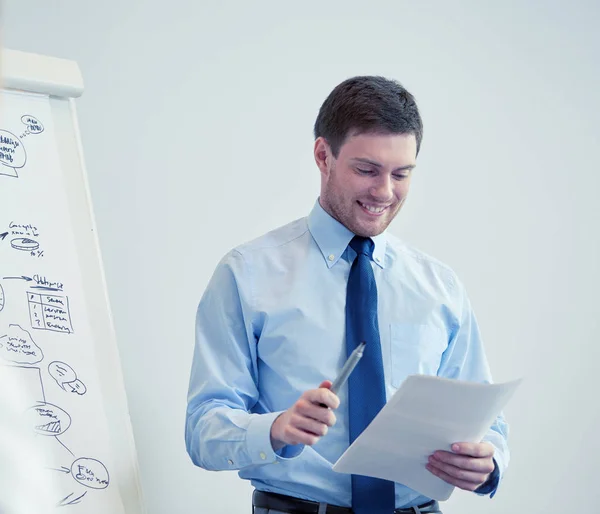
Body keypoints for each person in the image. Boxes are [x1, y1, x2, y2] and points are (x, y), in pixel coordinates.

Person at [185, 76, 508, 514]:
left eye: (402, 173)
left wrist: (488, 462)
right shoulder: (247, 274)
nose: (385, 192)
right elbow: (203, 430)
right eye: (367, 170)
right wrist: (277, 428)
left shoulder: (440, 286)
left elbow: (487, 424)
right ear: (323, 156)